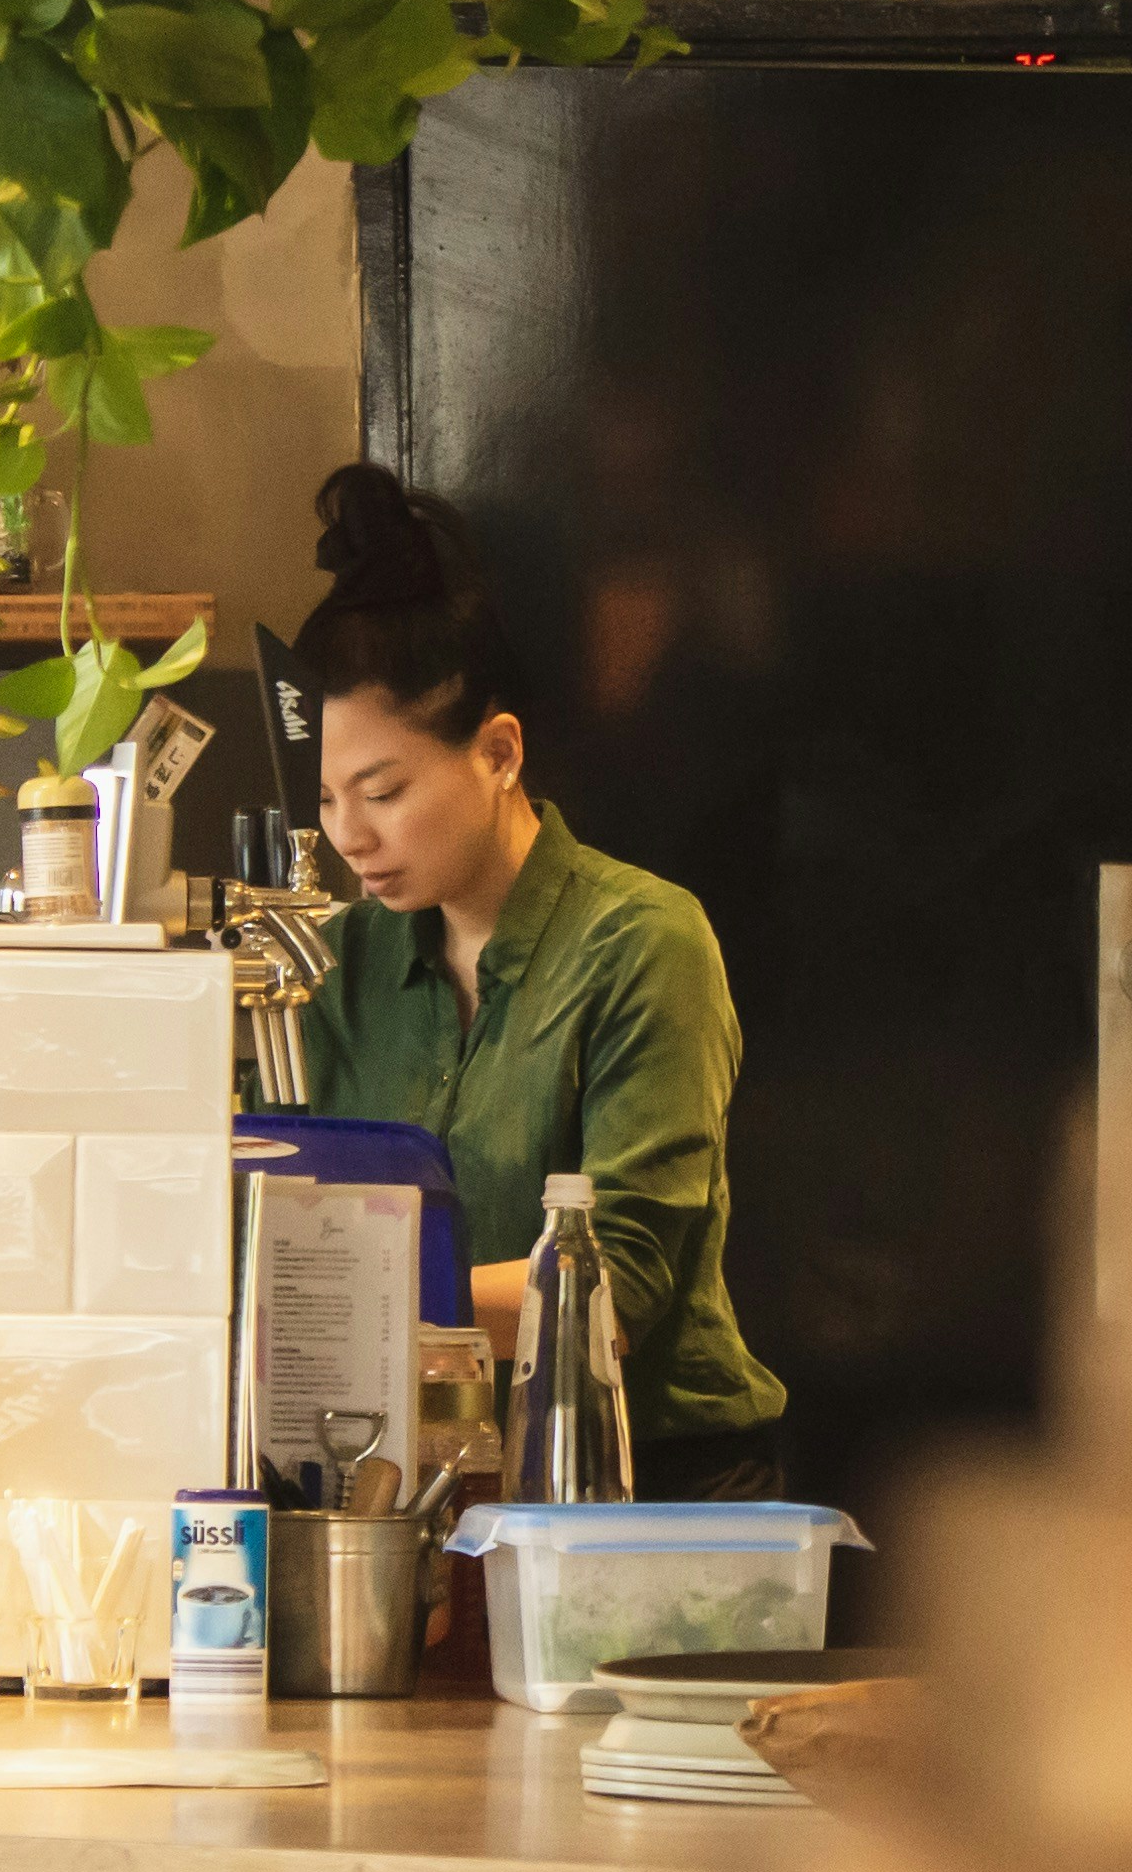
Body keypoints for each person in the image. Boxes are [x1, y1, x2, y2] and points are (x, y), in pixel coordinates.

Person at [291, 463, 788, 1496]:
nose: (350, 834)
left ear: (500, 751)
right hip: (424, 1474)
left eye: (383, 790)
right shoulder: (337, 967)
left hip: (653, 1484)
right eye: (331, 797)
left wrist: (352, 1299)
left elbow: (618, 1282)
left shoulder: (645, 940)